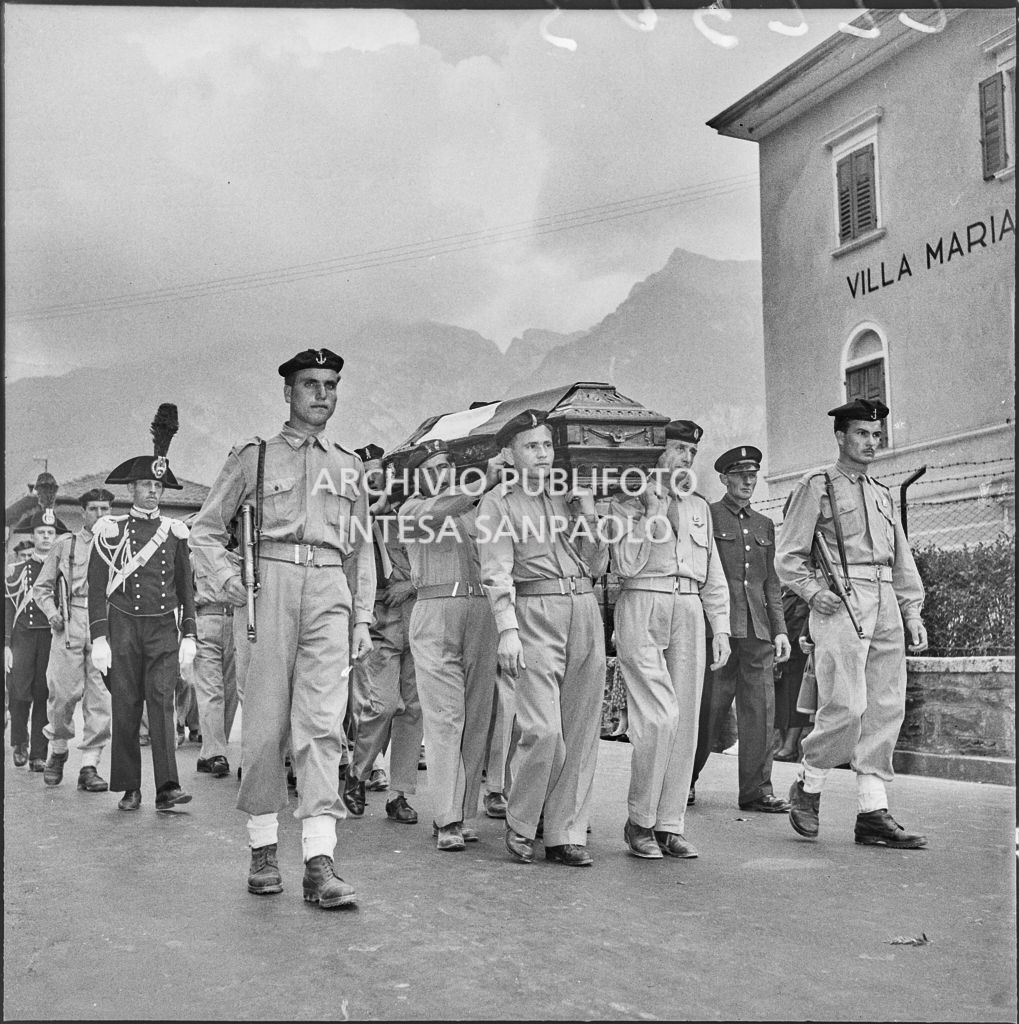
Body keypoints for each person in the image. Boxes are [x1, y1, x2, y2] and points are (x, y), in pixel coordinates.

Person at [190, 348, 375, 908]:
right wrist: (231, 588)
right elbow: (204, 531)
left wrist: (362, 617)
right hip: (267, 587)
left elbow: (362, 550)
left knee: (321, 726)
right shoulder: (256, 457)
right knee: (267, 726)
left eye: (331, 384)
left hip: (329, 592)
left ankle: (320, 864)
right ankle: (264, 851)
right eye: (311, 384)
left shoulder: (348, 465)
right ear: (288, 393)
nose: (323, 393)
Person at [775, 398, 928, 849]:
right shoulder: (816, 486)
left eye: (876, 435)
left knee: (885, 706)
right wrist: (811, 591)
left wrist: (912, 610)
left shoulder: (881, 492)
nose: (871, 443)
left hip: (883, 602)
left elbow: (901, 558)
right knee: (846, 706)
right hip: (841, 599)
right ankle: (809, 785)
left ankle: (872, 811)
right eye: (862, 434)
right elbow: (788, 555)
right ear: (840, 437)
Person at [476, 410, 608, 867]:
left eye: (547, 446)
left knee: (580, 727)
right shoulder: (498, 502)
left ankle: (564, 832)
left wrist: (587, 512)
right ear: (509, 454)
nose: (542, 455)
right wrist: (507, 630)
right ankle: (522, 818)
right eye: (532, 446)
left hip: (585, 609)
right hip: (534, 613)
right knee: (543, 729)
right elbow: (495, 572)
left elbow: (598, 563)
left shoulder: (569, 497)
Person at [609, 419, 730, 859]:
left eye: (691, 453)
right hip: (643, 601)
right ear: (655, 454)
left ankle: (669, 824)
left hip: (689, 607)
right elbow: (623, 564)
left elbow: (713, 573)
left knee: (686, 722)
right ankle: (639, 820)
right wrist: (651, 513)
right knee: (658, 717)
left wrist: (721, 627)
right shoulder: (626, 505)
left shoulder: (699, 507)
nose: (686, 459)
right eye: (678, 450)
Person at [87, 405, 197, 813]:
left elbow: (186, 588)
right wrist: (100, 636)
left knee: (161, 701)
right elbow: (96, 586)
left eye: (158, 486)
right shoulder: (110, 530)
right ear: (130, 488)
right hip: (123, 627)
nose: (152, 491)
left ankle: (168, 786)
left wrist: (190, 634)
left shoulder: (174, 532)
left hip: (163, 630)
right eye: (145, 485)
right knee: (126, 704)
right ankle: (130, 787)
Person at [398, 439, 501, 851]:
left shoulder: (474, 511)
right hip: (435, 609)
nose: (442, 472)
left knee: (477, 718)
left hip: (482, 611)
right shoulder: (412, 509)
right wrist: (483, 482)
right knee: (444, 717)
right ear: (418, 474)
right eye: (435, 466)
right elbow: (436, 511)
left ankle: (465, 811)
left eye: (447, 465)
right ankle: (446, 818)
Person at [689, 445, 791, 813]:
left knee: (760, 711)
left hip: (758, 630)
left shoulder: (764, 524)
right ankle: (685, 780)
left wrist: (779, 629)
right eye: (740, 475)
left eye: (753, 475)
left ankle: (756, 791)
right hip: (720, 629)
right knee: (709, 708)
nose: (749, 481)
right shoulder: (709, 516)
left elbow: (771, 583)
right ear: (724, 478)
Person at [341, 457, 422, 827]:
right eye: (370, 477)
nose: (379, 482)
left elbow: (435, 565)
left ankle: (399, 794)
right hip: (379, 623)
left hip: (417, 619)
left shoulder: (414, 514)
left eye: (384, 476)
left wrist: (412, 585)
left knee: (413, 710)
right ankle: (357, 774)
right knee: (384, 705)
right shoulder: (357, 520)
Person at [33, 487, 115, 791]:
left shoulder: (118, 546)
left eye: (105, 509)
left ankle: (89, 766)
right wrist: (52, 612)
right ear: (84, 512)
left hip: (104, 626)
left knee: (101, 699)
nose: (100, 515)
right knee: (62, 695)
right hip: (70, 621)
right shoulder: (64, 545)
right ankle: (58, 750)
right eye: (93, 509)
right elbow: (41, 588)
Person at [5, 492, 69, 771]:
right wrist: (5, 643)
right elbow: (8, 608)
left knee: (44, 693)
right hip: (22, 636)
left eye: (50, 532)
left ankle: (38, 754)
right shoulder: (16, 570)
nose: (45, 537)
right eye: (41, 532)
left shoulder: (62, 571)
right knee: (19, 692)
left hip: (50, 637)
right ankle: (19, 742)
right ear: (33, 535)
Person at [184, 514, 238, 780]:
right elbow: (184, 597)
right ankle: (216, 752)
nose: (226, 533)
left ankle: (213, 750)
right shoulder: (195, 558)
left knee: (230, 691)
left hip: (237, 622)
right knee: (210, 690)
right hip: (207, 620)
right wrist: (188, 633)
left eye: (229, 528)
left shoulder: (243, 559)